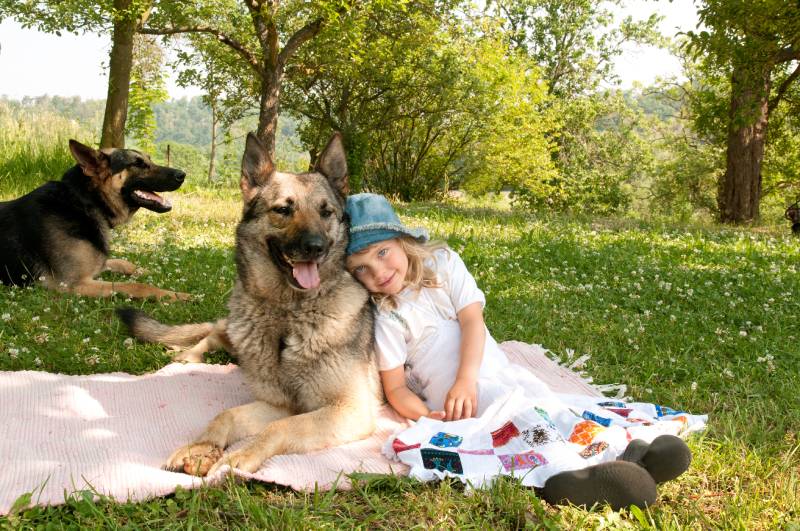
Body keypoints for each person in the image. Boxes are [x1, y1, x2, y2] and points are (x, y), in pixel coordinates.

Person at [344, 193, 698, 510]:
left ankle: (630, 453)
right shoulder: (386, 315)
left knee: (548, 408)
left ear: (403, 241)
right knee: (514, 426)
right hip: (462, 400)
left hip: (493, 371)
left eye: (382, 252)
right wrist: (424, 415)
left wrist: (466, 377)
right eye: (361, 268)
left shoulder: (442, 264)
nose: (378, 272)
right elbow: (395, 388)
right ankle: (566, 479)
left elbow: (471, 319)